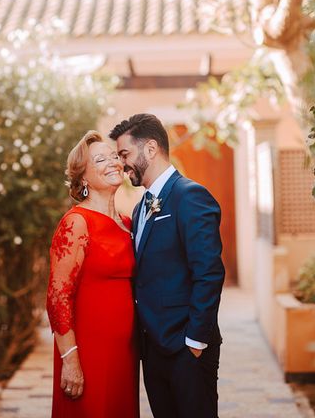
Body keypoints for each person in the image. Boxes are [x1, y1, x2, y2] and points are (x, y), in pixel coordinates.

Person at [109, 113, 225, 418]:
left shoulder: (191, 197)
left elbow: (209, 272)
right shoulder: (140, 208)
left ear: (150, 149)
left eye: (125, 154)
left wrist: (195, 341)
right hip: (154, 348)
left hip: (186, 348)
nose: (122, 164)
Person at [46, 130, 140, 418]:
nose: (113, 162)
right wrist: (70, 359)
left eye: (114, 156)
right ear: (83, 177)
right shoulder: (77, 223)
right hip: (88, 351)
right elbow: (57, 297)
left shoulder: (126, 222)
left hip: (124, 352)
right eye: (100, 159)